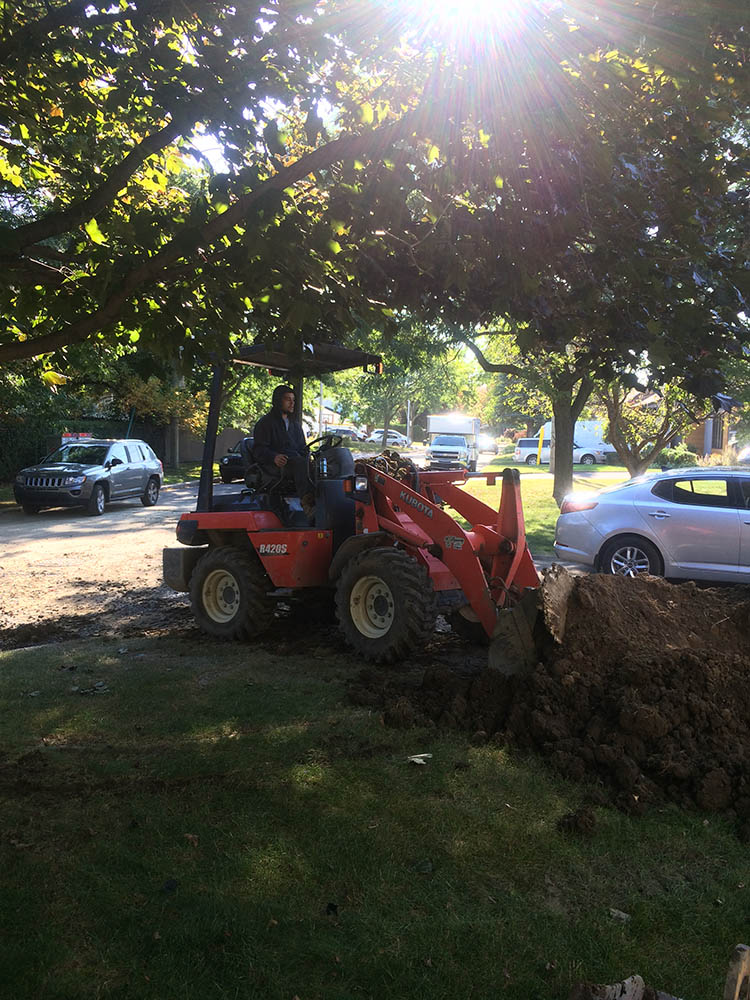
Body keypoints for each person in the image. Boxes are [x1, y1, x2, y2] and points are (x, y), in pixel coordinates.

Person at [252, 384, 314, 502]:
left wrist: (309, 457)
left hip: (296, 462)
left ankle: (328, 500)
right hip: (275, 466)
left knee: (322, 467)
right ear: (278, 401)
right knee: (300, 464)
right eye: (288, 399)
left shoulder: (295, 424)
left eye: (293, 400)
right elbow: (259, 450)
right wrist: (274, 457)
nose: (292, 403)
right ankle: (308, 503)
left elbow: (302, 448)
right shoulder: (265, 423)